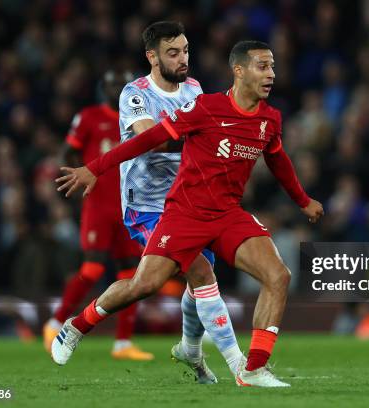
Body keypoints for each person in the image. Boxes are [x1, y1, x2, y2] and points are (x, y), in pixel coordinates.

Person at [53, 40, 324, 388]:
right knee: (145, 284)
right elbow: (146, 140)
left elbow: (277, 158)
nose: (271, 74)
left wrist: (302, 200)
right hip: (184, 214)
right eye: (262, 66)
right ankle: (77, 326)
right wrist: (94, 168)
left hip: (227, 214)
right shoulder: (205, 108)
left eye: (272, 66)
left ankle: (252, 369)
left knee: (277, 275)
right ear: (239, 71)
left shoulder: (270, 118)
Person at [116, 21, 244, 382]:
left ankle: (192, 354)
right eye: (173, 52)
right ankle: (240, 365)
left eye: (185, 50)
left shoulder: (194, 88)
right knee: (199, 270)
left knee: (198, 279)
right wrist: (198, 136)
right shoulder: (134, 94)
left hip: (191, 203)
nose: (183, 57)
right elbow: (152, 140)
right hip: (146, 204)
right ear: (152, 56)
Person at [43, 70, 153, 361]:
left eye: (122, 85)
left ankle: (122, 343)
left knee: (132, 273)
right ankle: (56, 322)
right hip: (98, 206)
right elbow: (67, 153)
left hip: (129, 206)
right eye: (112, 84)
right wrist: (81, 178)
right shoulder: (89, 116)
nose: (117, 89)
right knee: (92, 269)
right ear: (103, 88)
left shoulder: (139, 118)